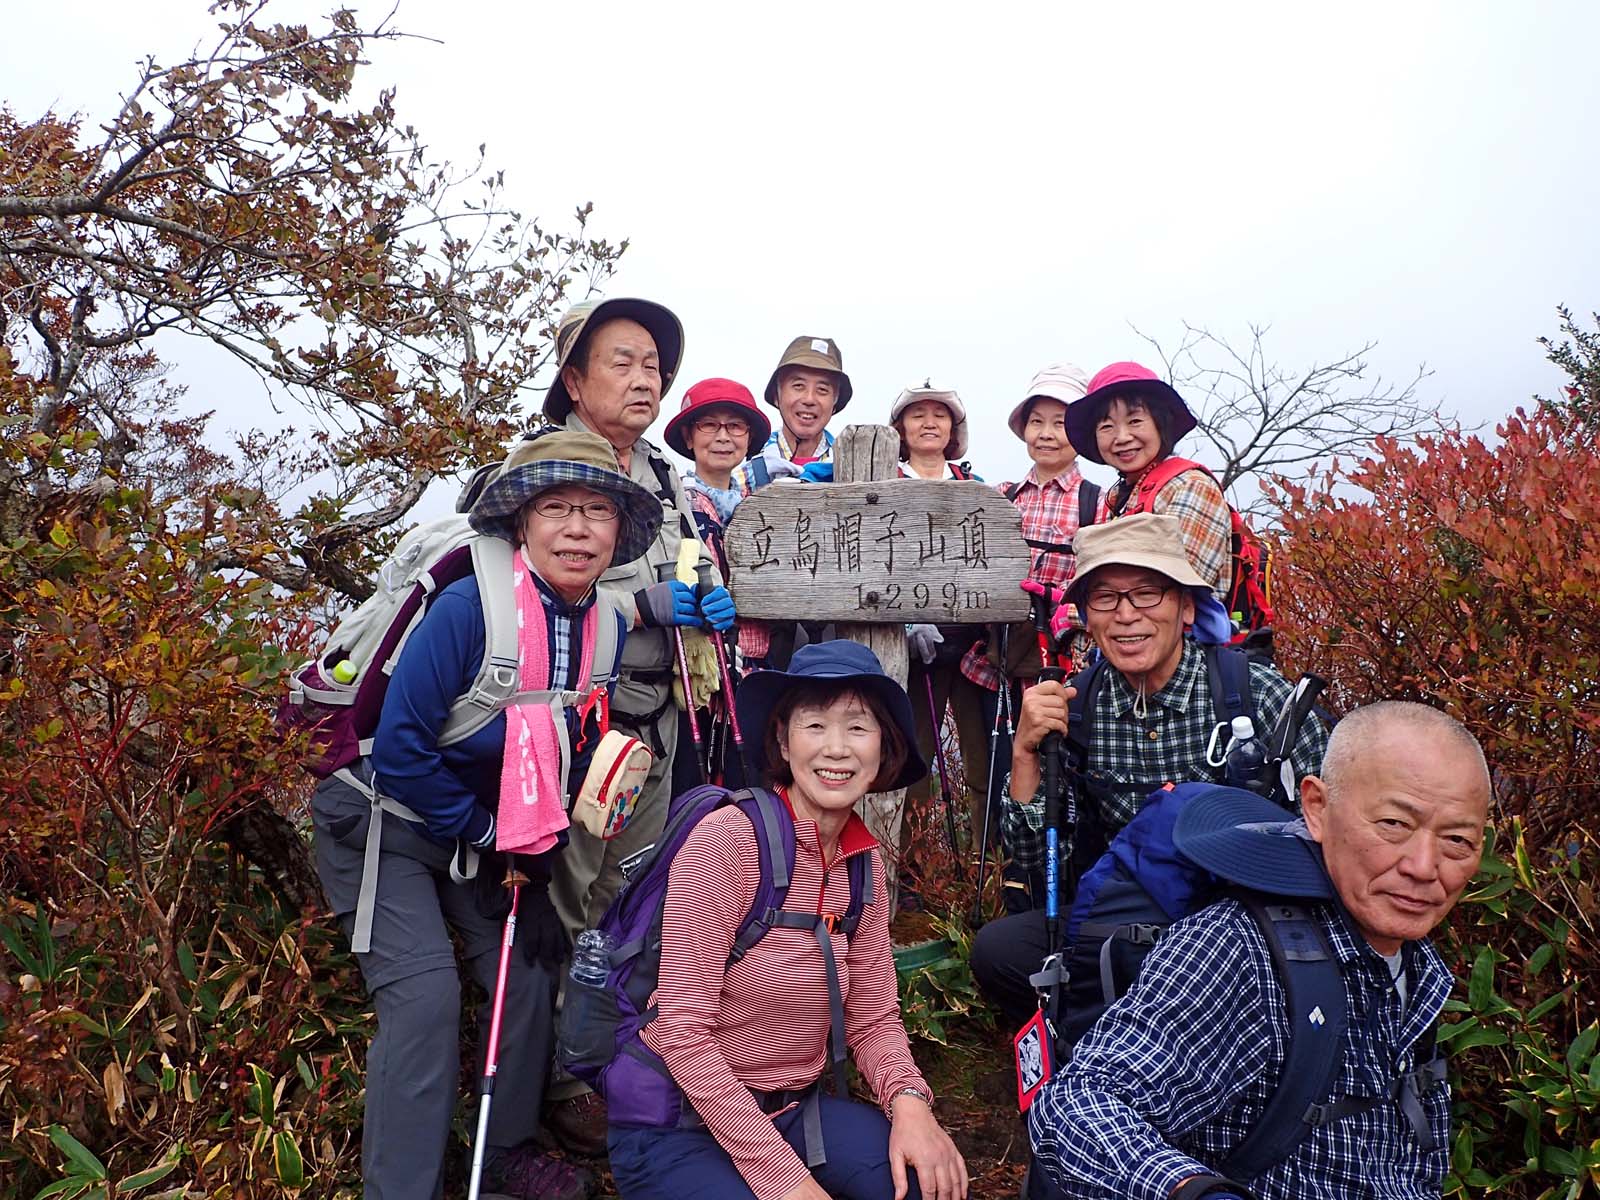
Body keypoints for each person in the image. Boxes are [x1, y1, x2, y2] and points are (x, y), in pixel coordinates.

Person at [309, 431, 662, 1200]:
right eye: (557, 508)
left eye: (598, 511)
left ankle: (504, 1152)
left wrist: (535, 855)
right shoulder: (471, 606)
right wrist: (497, 839)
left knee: (528, 972)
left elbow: (569, 747)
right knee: (425, 997)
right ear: (522, 522)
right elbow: (401, 750)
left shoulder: (603, 626)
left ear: (618, 531)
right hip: (382, 818)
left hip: (475, 828)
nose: (577, 529)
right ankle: (402, 1189)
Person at [1028, 702, 1491, 1200]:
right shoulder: (1241, 949)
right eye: (1394, 824)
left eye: (1456, 840)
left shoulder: (1417, 968)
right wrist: (1191, 1192)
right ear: (1316, 808)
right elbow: (1079, 1104)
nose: (1424, 866)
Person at [607, 641, 970, 1200]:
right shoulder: (729, 841)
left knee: (926, 1183)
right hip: (676, 1123)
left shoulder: (861, 864)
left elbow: (872, 1017)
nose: (836, 748)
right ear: (783, 740)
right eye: (815, 725)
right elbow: (680, 1030)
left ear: (884, 748)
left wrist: (911, 1104)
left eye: (858, 727)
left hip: (793, 1112)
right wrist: (784, 1178)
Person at [969, 513, 1329, 1026]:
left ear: (1187, 607)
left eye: (1147, 593)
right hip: (1126, 918)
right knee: (999, 951)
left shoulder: (1255, 695)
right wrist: (1024, 753)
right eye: (1105, 598)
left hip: (1245, 923)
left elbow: (1334, 829)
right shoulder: (1078, 707)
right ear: (1086, 617)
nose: (1126, 615)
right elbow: (1036, 864)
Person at [543, 296, 737, 1152]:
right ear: (574, 379)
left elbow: (692, 565)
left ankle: (610, 1054)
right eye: (621, 361)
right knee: (569, 892)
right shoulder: (549, 468)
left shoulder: (664, 475)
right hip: (582, 723)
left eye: (653, 364)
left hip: (659, 721)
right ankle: (557, 1077)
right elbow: (532, 586)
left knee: (631, 888)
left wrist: (709, 601)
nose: (644, 377)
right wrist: (640, 604)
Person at [957, 363, 1102, 913]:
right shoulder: (1001, 496)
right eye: (1036, 421)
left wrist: (1066, 613)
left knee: (1057, 770)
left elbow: (1099, 581)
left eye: (1060, 422)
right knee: (995, 769)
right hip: (997, 659)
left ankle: (1051, 883)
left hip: (1061, 664)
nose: (1046, 433)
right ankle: (999, 881)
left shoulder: (1097, 501)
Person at [886, 382, 990, 903]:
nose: (929, 423)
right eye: (917, 415)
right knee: (915, 758)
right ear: (900, 429)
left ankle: (987, 866)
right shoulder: (886, 483)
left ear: (954, 429)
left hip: (973, 649)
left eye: (940, 415)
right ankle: (913, 872)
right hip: (912, 649)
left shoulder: (976, 486)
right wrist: (906, 623)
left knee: (980, 758)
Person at [662, 376, 775, 788]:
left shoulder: (765, 509)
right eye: (709, 424)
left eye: (735, 426)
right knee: (697, 790)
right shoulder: (674, 506)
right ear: (689, 436)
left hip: (755, 675)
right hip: (701, 677)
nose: (723, 436)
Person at [1063, 361, 1232, 604]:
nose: (1122, 437)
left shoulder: (1190, 486)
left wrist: (1069, 613)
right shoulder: (1119, 498)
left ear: (1161, 424)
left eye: (1135, 421)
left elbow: (1175, 594)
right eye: (1107, 426)